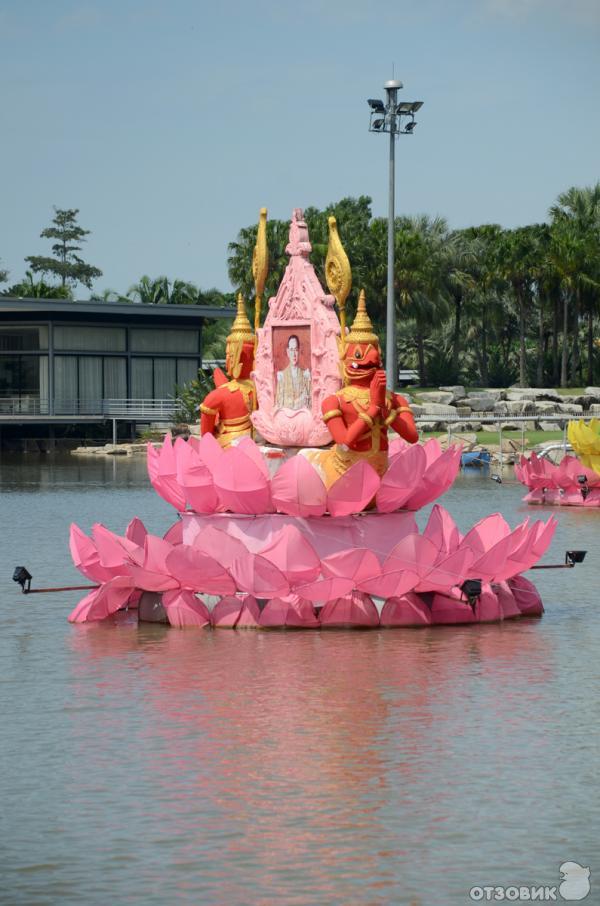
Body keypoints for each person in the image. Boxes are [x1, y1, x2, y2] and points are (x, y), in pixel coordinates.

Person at [275, 334, 311, 410]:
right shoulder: (282, 376)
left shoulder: (305, 375)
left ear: (298, 351)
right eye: (291, 350)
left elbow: (309, 404)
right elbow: (279, 403)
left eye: (296, 350)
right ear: (288, 352)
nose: (294, 354)